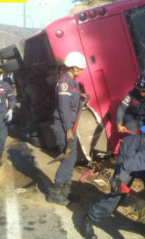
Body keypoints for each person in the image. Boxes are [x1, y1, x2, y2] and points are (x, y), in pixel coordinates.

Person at [47, 51, 88, 206]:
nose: (82, 70)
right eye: (81, 68)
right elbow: (63, 107)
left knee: (72, 156)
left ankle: (65, 190)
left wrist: (81, 96)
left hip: (70, 124)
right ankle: (55, 192)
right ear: (74, 67)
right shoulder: (65, 82)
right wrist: (68, 130)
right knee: (67, 156)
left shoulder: (73, 82)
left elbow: (72, 97)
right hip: (65, 125)